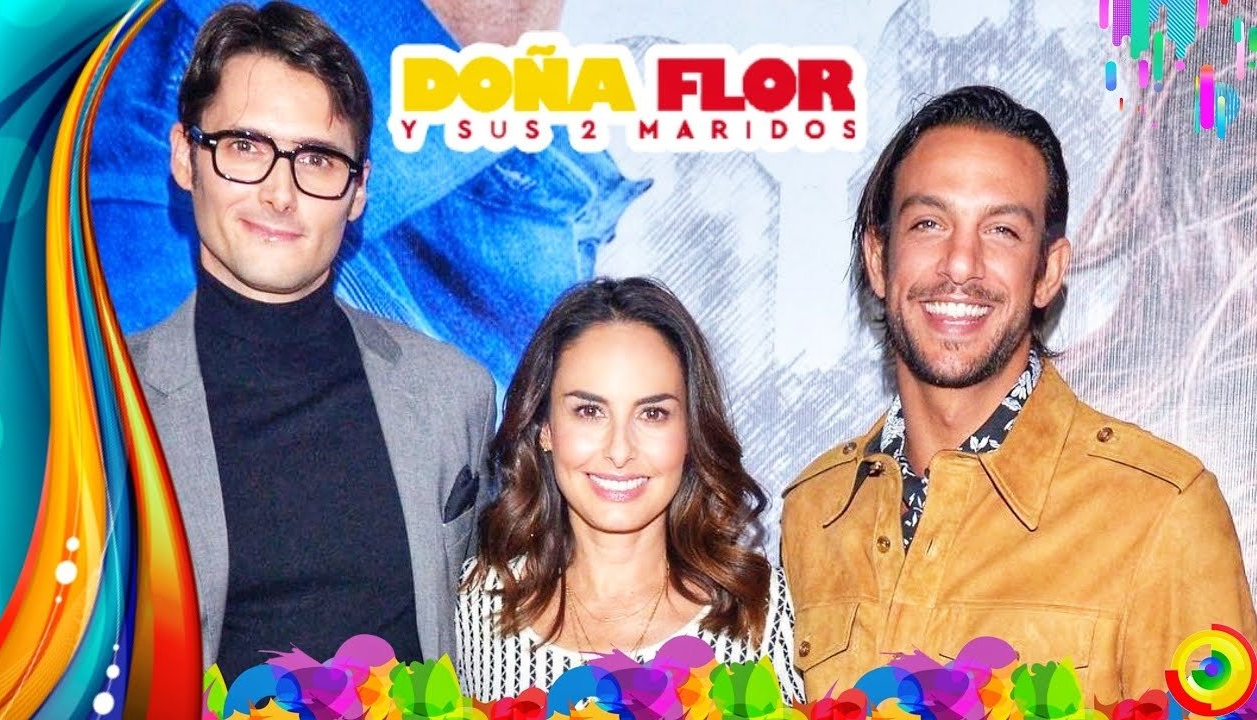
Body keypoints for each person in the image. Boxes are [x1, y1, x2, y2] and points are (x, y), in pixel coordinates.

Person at [781, 85, 1257, 700]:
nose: (960, 263)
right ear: (878, 259)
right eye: (929, 224)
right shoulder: (815, 511)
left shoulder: (1162, 511)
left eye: (1002, 230)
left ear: (1048, 271)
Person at [124, 2, 495, 677]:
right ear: (185, 157)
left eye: (318, 159)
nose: (279, 193)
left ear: (358, 191)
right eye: (244, 147)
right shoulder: (95, 403)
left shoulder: (454, 395)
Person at [455, 277, 802, 702]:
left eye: (652, 413)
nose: (620, 451)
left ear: (690, 431)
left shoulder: (766, 613)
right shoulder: (473, 609)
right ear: (545, 427)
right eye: (589, 411)